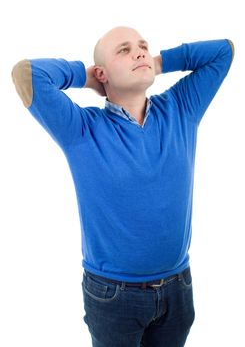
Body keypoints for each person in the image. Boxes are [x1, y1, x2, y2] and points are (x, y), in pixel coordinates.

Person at [12, 26, 234, 347]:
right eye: (124, 50)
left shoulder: (181, 108)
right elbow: (27, 74)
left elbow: (222, 52)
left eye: (143, 46)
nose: (140, 51)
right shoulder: (82, 129)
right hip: (113, 296)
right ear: (102, 72)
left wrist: (155, 64)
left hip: (178, 288)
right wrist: (89, 78)